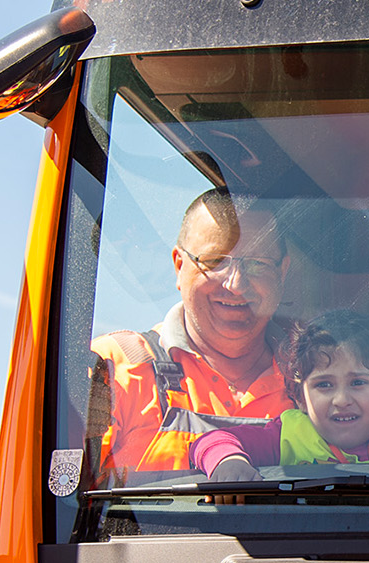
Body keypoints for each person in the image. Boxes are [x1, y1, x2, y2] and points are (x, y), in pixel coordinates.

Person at [92, 189, 296, 479]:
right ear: (179, 266)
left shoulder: (319, 376)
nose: (236, 284)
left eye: (257, 263)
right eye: (215, 261)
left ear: (283, 272)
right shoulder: (114, 367)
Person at [189, 309, 369, 479]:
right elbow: (213, 439)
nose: (341, 400)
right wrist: (229, 461)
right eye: (324, 385)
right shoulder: (292, 433)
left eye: (358, 383)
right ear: (301, 399)